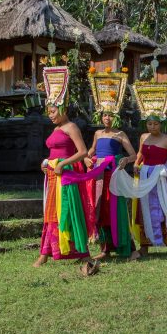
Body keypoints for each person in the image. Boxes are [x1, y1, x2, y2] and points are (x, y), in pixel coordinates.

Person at [34, 66, 98, 275]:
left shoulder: (72, 127)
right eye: (48, 112)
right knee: (50, 212)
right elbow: (52, 152)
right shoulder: (55, 129)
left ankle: (82, 252)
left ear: (62, 109)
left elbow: (82, 152)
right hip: (53, 175)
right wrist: (48, 164)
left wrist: (62, 164)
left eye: (53, 111)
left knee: (69, 212)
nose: (50, 115)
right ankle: (45, 252)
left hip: (67, 175)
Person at [126, 81, 167, 258]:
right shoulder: (143, 137)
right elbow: (139, 155)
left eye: (156, 124)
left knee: (166, 208)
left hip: (161, 178)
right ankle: (144, 246)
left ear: (162, 124)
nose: (152, 127)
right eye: (149, 124)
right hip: (145, 177)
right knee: (144, 210)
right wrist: (136, 166)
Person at [85, 66, 138, 260]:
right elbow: (89, 152)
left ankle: (130, 249)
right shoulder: (98, 134)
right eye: (104, 115)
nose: (107, 118)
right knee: (101, 210)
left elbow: (134, 155)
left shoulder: (120, 134)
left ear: (115, 117)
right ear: (101, 116)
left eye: (110, 115)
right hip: (99, 177)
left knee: (118, 211)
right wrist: (86, 159)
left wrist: (124, 159)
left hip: (114, 177)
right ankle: (105, 249)